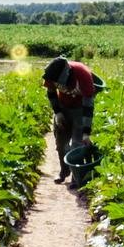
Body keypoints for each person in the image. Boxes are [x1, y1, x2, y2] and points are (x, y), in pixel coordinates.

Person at [42, 56, 99, 184]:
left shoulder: (82, 74)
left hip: (80, 109)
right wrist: (58, 113)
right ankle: (64, 171)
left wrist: (86, 133)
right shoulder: (51, 73)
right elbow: (51, 92)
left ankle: (76, 177)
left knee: (77, 144)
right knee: (60, 143)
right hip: (63, 107)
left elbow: (88, 106)